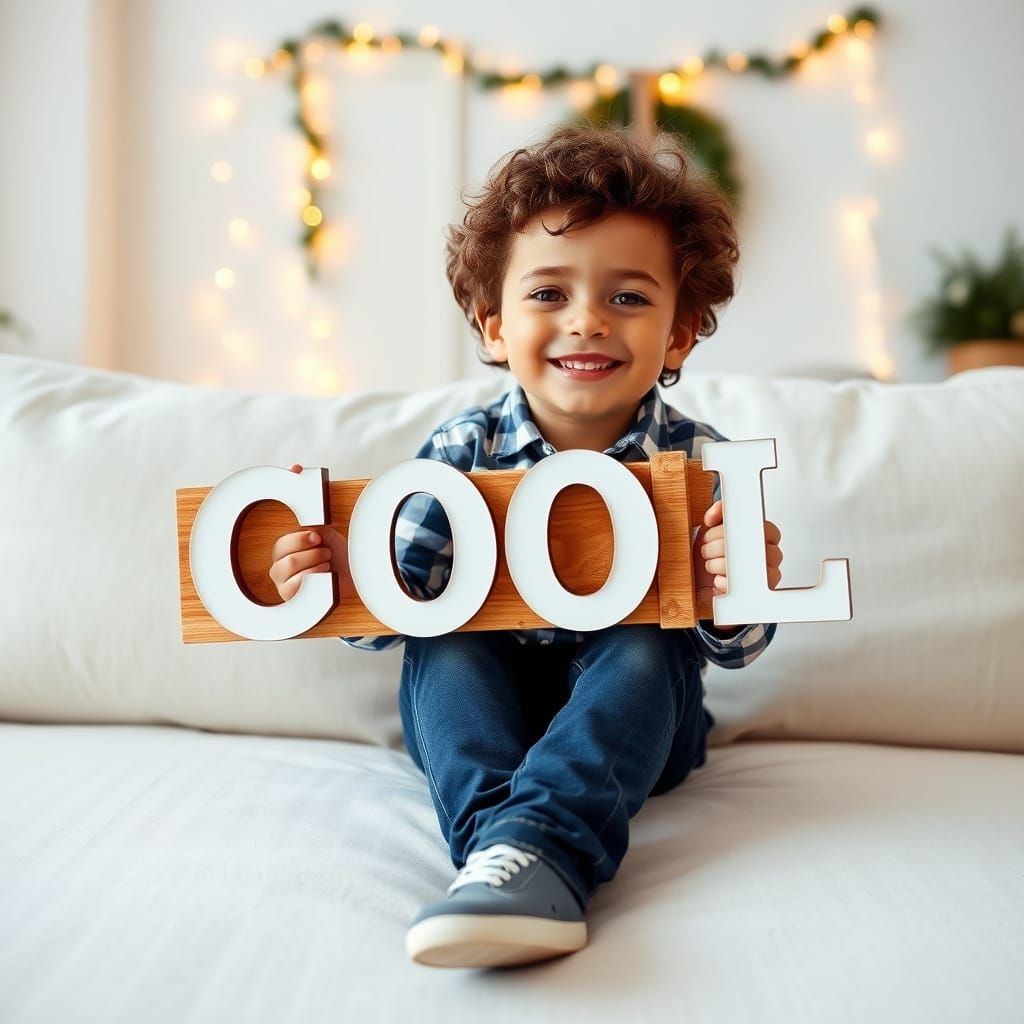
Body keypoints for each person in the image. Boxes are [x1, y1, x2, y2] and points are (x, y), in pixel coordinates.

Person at [269, 123, 783, 969]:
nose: (587, 321)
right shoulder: (461, 451)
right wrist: (343, 574)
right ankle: (504, 857)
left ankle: (535, 848)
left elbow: (737, 646)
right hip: (491, 713)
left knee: (647, 639)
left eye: (629, 298)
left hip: (640, 726)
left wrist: (732, 592)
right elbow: (394, 609)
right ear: (494, 327)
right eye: (548, 293)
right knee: (442, 637)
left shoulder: (698, 459)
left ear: (680, 333)